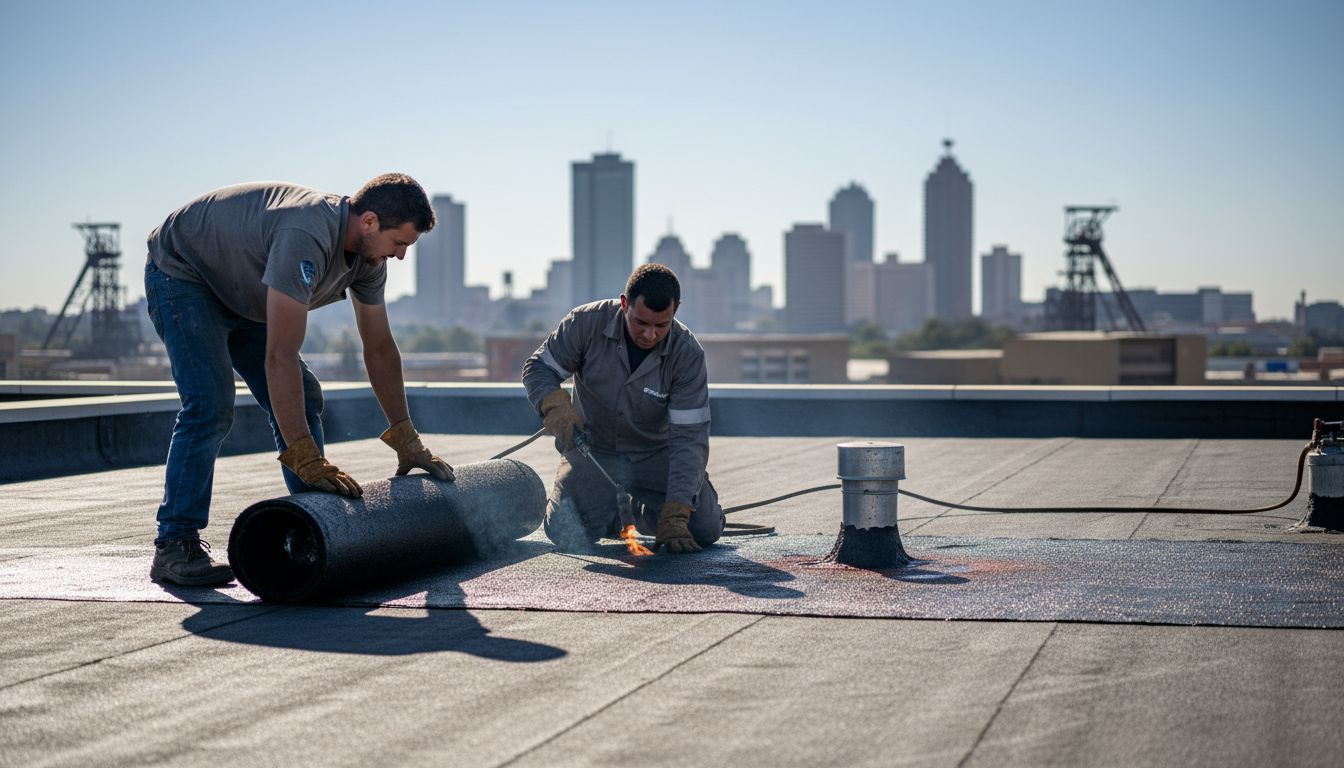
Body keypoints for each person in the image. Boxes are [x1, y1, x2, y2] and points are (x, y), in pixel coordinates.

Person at [144, 174, 454, 587]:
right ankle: (174, 544)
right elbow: (280, 356)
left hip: (243, 290)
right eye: (400, 243)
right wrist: (303, 454)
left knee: (304, 397)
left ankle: (314, 523)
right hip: (185, 276)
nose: (400, 256)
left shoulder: (369, 261)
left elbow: (379, 348)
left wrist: (405, 435)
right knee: (210, 405)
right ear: (369, 222)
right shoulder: (305, 235)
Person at [523, 263, 724, 553]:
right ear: (624, 303)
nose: (650, 335)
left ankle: (639, 512)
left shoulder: (687, 354)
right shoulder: (585, 324)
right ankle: (613, 512)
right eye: (641, 322)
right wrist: (554, 405)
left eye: (661, 326)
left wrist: (678, 510)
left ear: (675, 311)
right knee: (565, 532)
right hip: (593, 452)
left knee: (703, 529)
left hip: (656, 455)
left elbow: (689, 439)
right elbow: (539, 368)